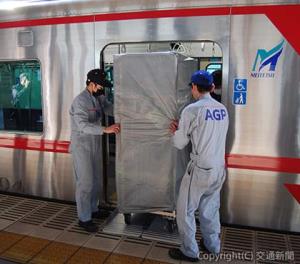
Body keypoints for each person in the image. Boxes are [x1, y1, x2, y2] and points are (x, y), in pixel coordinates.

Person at [168, 70, 229, 262]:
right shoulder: (221, 109)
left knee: (185, 210)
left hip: (200, 169)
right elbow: (207, 132)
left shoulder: (191, 110)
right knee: (210, 208)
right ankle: (213, 246)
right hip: (219, 168)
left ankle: (189, 251)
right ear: (211, 87)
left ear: (194, 87)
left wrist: (177, 131)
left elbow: (179, 143)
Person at [69, 68, 120, 232]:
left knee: (97, 180)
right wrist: (106, 129)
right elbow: (82, 126)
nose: (102, 89)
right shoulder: (80, 101)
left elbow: (108, 108)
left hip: (95, 144)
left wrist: (123, 113)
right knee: (85, 183)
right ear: (92, 84)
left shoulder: (98, 97)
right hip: (82, 146)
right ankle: (84, 219)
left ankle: (93, 209)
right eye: (100, 86)